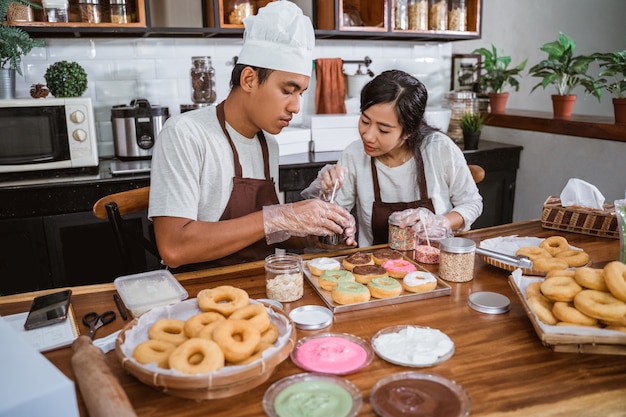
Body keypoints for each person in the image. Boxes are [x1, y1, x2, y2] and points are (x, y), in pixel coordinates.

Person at [148, 1, 356, 270]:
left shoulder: (267, 142)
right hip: (198, 293)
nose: (295, 107)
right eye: (287, 90)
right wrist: (280, 215)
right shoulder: (186, 134)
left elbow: (267, 234)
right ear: (248, 79)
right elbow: (174, 247)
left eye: (300, 93)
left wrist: (318, 228)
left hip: (260, 286)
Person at [302, 69, 483, 247]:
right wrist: (325, 191)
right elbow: (333, 218)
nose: (368, 136)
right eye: (365, 121)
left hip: (433, 263)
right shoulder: (354, 154)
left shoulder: (439, 148)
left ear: (408, 132)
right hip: (375, 267)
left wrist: (440, 222)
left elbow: (472, 203)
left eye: (383, 130)